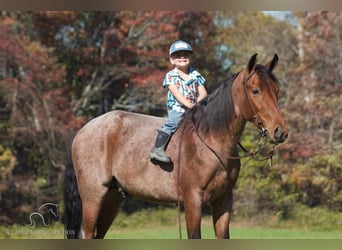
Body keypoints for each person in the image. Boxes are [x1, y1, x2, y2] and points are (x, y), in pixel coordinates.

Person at [150, 40, 208, 163]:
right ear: (172, 60)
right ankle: (157, 149)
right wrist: (188, 105)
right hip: (178, 107)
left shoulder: (195, 74)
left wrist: (196, 103)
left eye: (185, 55)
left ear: (190, 57)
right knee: (174, 122)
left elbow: (203, 92)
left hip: (194, 106)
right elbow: (176, 94)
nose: (182, 58)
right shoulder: (170, 76)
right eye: (178, 56)